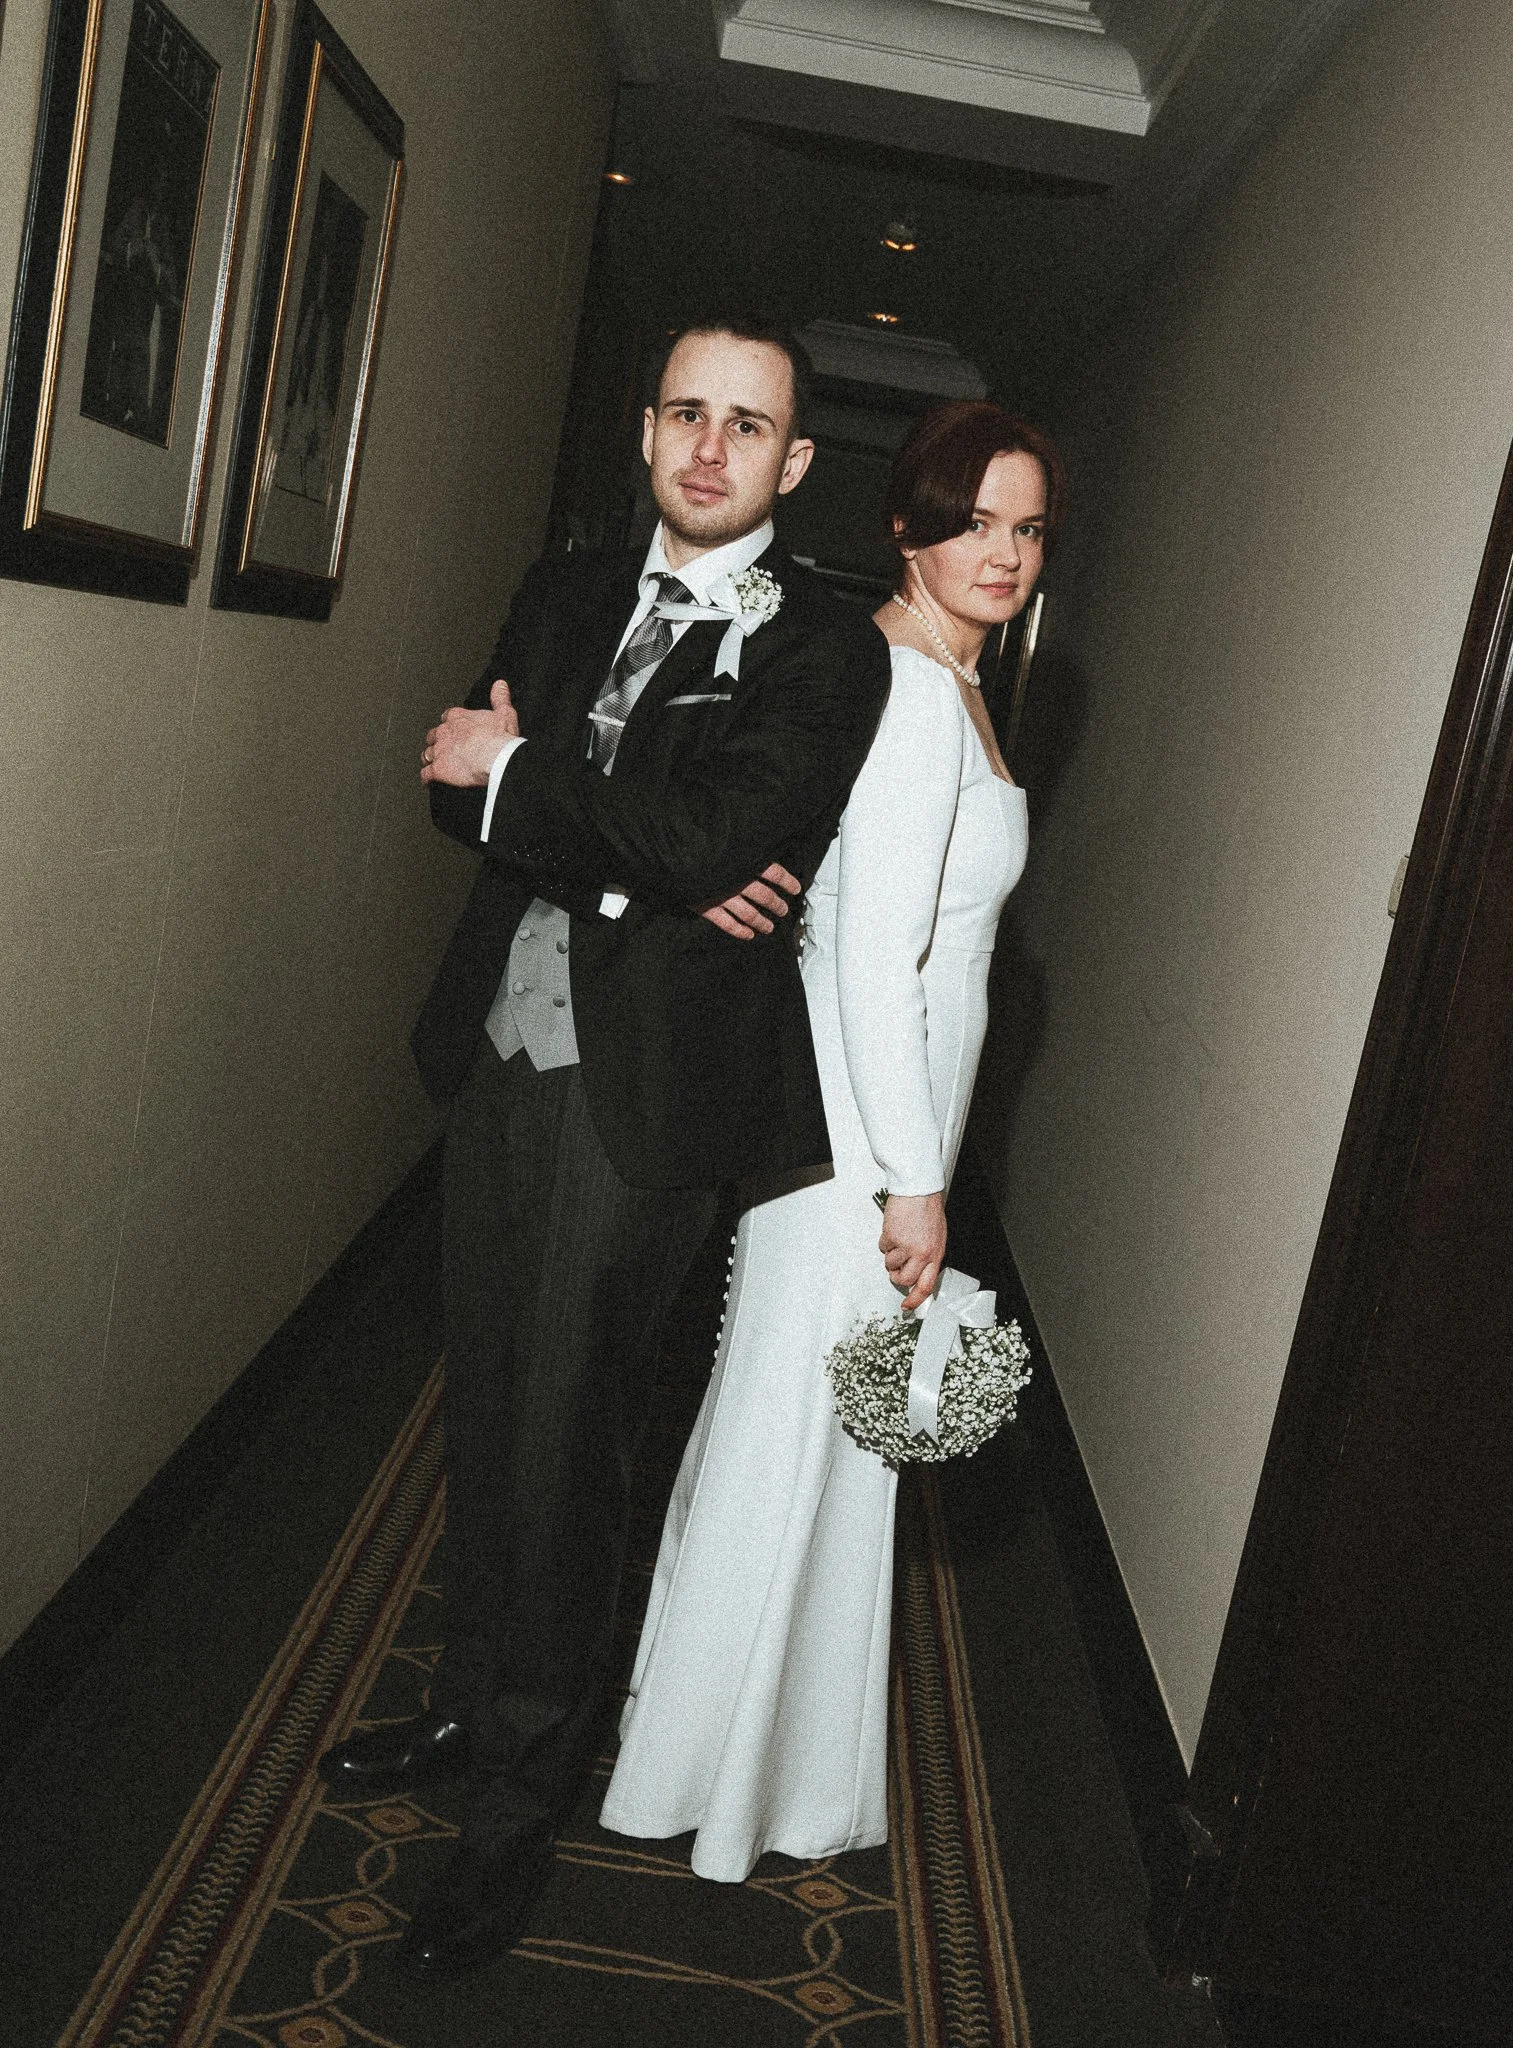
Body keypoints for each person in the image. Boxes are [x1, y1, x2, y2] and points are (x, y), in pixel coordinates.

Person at [316, 317, 890, 1977]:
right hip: (500, 1053)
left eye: (750, 426)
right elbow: (454, 787)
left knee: (568, 1449)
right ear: (649, 430)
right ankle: (456, 1707)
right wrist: (635, 858)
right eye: (687, 414)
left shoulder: (821, 653)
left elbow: (705, 832)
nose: (712, 449)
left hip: (637, 1105)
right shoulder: (565, 592)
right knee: (486, 1402)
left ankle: (507, 1825)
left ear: (793, 464)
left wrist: (548, 794)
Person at [599, 399, 1065, 1880]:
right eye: (974, 520)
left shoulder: (952, 681)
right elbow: (873, 965)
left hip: (878, 1133)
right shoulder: (914, 692)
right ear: (906, 525)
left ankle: (741, 1772)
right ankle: (710, 1784)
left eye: (1029, 527)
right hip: (862, 1153)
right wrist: (914, 1187)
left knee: (812, 1446)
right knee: (791, 1444)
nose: (1002, 553)